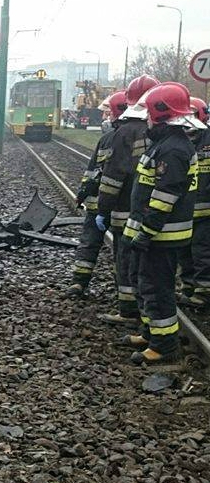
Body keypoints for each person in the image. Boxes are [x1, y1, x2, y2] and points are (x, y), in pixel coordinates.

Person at [120, 82, 202, 364]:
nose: (148, 122)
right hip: (155, 233)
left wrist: (147, 231)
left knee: (158, 288)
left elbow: (164, 198)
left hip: (162, 235)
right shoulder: (165, 144)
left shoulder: (173, 150)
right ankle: (151, 333)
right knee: (146, 285)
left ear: (162, 113)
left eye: (150, 116)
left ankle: (164, 346)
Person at [96, 75, 158, 326]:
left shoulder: (125, 133)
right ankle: (145, 311)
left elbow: (113, 177)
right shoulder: (164, 132)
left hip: (125, 212)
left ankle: (128, 310)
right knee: (149, 266)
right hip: (155, 213)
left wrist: (103, 208)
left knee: (125, 260)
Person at [67, 91, 125, 297]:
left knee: (90, 243)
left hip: (103, 204)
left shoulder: (110, 139)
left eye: (107, 112)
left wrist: (83, 193)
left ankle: (79, 283)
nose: (103, 117)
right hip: (115, 206)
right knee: (119, 249)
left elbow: (94, 172)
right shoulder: (128, 137)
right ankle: (122, 289)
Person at [179, 97, 210, 305]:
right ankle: (188, 287)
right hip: (185, 211)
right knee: (185, 251)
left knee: (202, 251)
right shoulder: (179, 141)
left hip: (206, 212)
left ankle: (204, 292)